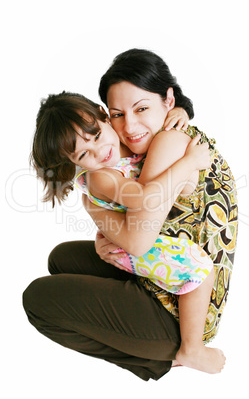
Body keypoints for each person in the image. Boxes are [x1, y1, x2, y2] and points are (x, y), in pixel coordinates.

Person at [23, 48, 237, 381]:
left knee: (37, 298)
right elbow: (140, 199)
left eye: (141, 109)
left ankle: (178, 352)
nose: (130, 126)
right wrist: (101, 219)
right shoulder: (113, 163)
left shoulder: (169, 140)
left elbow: (137, 239)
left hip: (183, 296)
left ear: (167, 101)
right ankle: (158, 353)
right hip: (160, 262)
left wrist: (103, 221)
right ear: (108, 113)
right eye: (119, 114)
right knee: (60, 259)